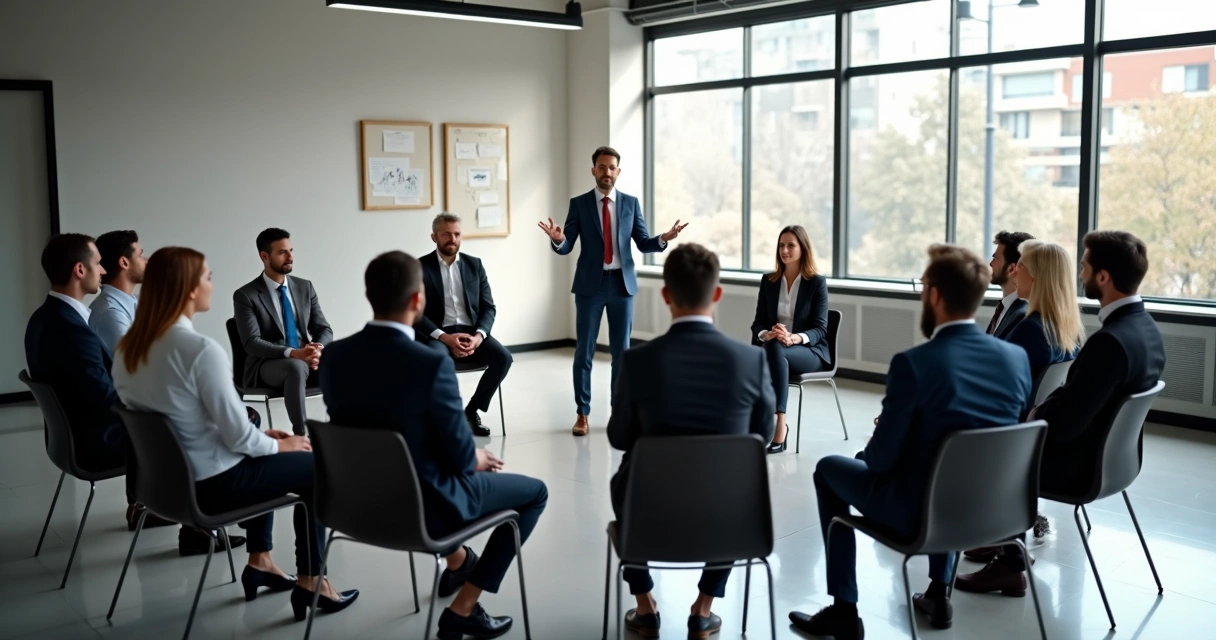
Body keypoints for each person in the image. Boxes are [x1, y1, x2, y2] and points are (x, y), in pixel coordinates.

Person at [789, 245, 1031, 639]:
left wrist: (885, 437)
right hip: (994, 512)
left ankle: (844, 610)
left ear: (934, 295)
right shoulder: (1016, 359)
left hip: (920, 515)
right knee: (952, 471)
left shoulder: (915, 363)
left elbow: (881, 462)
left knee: (828, 469)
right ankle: (939, 591)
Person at [112, 247, 357, 622]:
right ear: (189, 290)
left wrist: (266, 441)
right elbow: (241, 440)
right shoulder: (199, 350)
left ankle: (261, 561)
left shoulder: (128, 348)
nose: (212, 284)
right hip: (211, 487)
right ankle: (313, 583)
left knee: (264, 440)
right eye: (207, 277)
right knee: (315, 465)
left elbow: (186, 422)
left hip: (164, 487)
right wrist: (282, 444)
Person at [320, 251, 547, 640]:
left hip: (354, 503)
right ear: (417, 300)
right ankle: (465, 607)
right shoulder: (428, 362)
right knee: (534, 494)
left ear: (368, 294)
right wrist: (475, 456)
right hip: (423, 510)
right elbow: (460, 458)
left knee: (427, 473)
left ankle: (457, 562)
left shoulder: (335, 356)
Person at [956, 230, 1165, 597]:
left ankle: (1006, 561)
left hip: (1083, 467)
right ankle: (1006, 549)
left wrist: (1036, 412)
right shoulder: (1145, 330)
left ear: (1103, 277)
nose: (1080, 275)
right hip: (1117, 462)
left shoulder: (1110, 341)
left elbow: (1066, 424)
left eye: (1084, 267)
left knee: (1004, 450)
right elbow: (1074, 399)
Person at [607, 243, 775, 639]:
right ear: (717, 294)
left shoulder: (637, 361)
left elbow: (618, 437)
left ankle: (645, 604)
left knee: (624, 478)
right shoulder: (751, 361)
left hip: (648, 517)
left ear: (665, 295)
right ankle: (703, 609)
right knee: (737, 483)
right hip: (726, 522)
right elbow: (762, 437)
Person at [538, 146, 687, 437]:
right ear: (593, 171)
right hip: (589, 288)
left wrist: (663, 239)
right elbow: (567, 245)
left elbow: (643, 242)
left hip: (622, 285)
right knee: (585, 352)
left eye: (612, 167)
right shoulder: (579, 204)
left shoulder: (630, 203)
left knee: (622, 353)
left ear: (618, 171)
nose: (607, 172)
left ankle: (620, 411)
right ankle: (582, 413)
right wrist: (558, 239)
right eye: (602, 167)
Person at [416, 213, 512, 437]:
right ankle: (444, 418)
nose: (452, 239)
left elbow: (489, 307)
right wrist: (444, 337)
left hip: (472, 332)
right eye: (446, 234)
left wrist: (479, 336)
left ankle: (471, 411)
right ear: (434, 237)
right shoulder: (420, 267)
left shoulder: (474, 265)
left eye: (457, 234)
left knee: (504, 358)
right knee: (437, 361)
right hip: (438, 334)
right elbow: (416, 313)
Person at [233, 228, 333, 435]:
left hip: (304, 359)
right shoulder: (246, 295)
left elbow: (323, 328)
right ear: (264, 256)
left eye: (291, 250)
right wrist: (294, 353)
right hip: (266, 366)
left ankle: (343, 433)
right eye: (282, 253)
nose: (290, 257)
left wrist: (317, 349)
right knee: (295, 367)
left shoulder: (305, 287)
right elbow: (252, 342)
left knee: (344, 358)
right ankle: (301, 435)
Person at [749, 225, 831, 454]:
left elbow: (820, 329)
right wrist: (769, 334)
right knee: (773, 349)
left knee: (771, 352)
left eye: (791, 245)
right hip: (776, 349)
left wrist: (794, 338)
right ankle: (779, 422)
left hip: (809, 351)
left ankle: (777, 423)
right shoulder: (769, 281)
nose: (784, 250)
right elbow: (758, 324)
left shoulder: (816, 282)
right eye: (781, 245)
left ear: (803, 248)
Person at [88, 229, 146, 356]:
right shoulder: (109, 312)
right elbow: (139, 364)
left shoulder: (134, 302)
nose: (146, 261)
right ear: (124, 262)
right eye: (141, 256)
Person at [986, 230, 1036, 339]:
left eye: (995, 258)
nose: (990, 264)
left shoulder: (1024, 316)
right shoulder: (1005, 307)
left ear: (1012, 268)